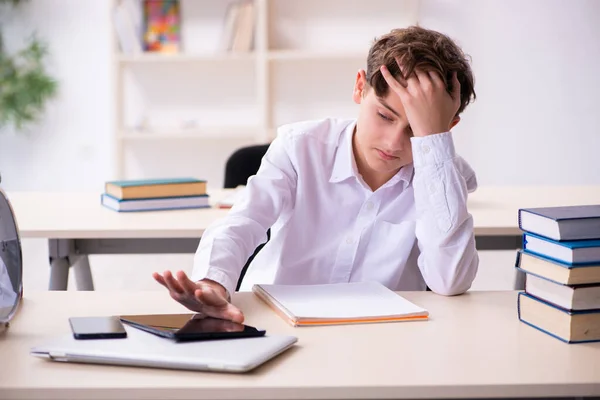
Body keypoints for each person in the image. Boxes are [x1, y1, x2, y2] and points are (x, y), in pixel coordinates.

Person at [153, 25, 479, 323]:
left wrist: (433, 145)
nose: (394, 142)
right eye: (384, 115)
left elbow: (449, 281)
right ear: (359, 88)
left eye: (415, 130)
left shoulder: (444, 176)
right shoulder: (301, 147)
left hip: (380, 332)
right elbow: (241, 224)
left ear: (446, 129)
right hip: (275, 319)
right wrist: (212, 283)